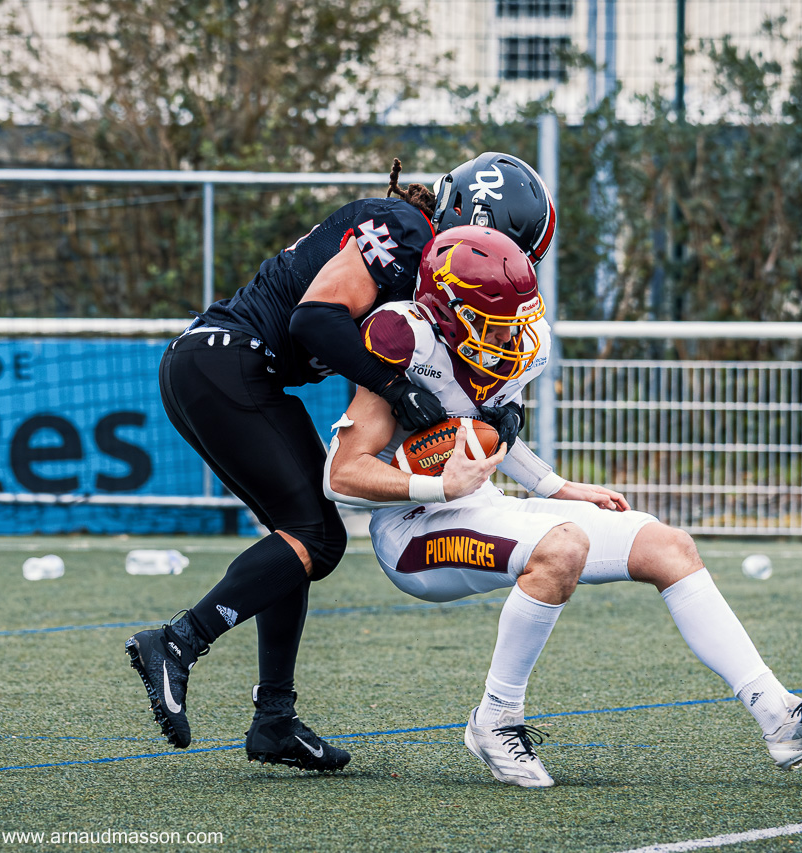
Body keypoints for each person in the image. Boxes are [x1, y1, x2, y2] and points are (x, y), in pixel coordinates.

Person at [322, 225, 802, 787]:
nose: (511, 334)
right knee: (561, 549)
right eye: (496, 321)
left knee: (668, 546)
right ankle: (495, 720)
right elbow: (340, 476)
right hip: (411, 530)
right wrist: (437, 489)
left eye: (516, 318)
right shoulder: (404, 342)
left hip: (476, 501)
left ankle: (778, 715)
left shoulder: (504, 345)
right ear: (448, 312)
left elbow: (480, 436)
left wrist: (556, 487)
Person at [124, 153, 557, 772]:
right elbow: (315, 318)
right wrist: (396, 387)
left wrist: (500, 416)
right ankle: (177, 642)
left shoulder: (427, 255)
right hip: (225, 361)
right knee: (317, 537)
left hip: (228, 367)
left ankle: (274, 719)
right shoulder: (407, 232)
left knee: (299, 537)